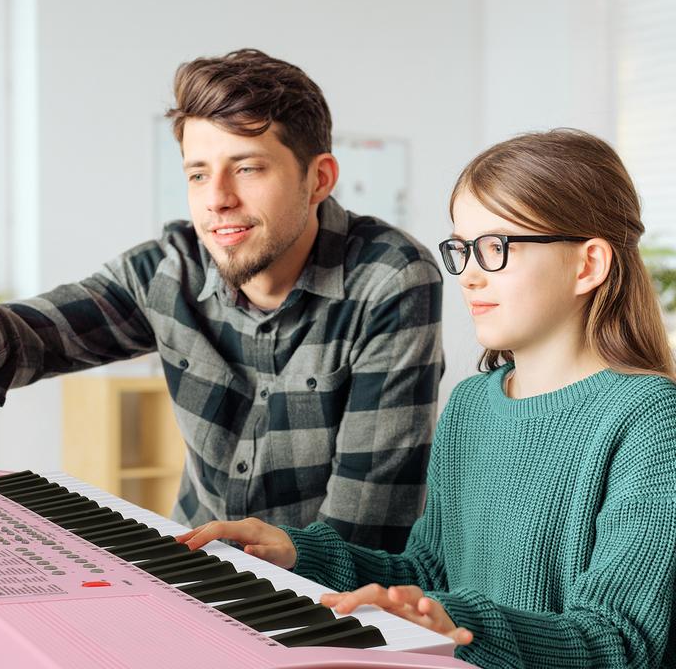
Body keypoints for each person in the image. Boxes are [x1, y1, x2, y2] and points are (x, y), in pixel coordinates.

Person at [0, 49, 443, 552]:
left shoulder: (391, 280)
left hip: (335, 600)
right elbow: (30, 336)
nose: (217, 199)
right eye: (198, 174)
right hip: (198, 565)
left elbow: (365, 529)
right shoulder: (170, 268)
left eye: (246, 168)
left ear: (318, 179)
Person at [176, 129, 676, 668]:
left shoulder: (649, 418)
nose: (470, 276)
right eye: (462, 249)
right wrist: (298, 552)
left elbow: (620, 643)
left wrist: (455, 623)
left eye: (495, 248)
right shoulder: (471, 406)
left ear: (587, 265)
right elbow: (430, 575)